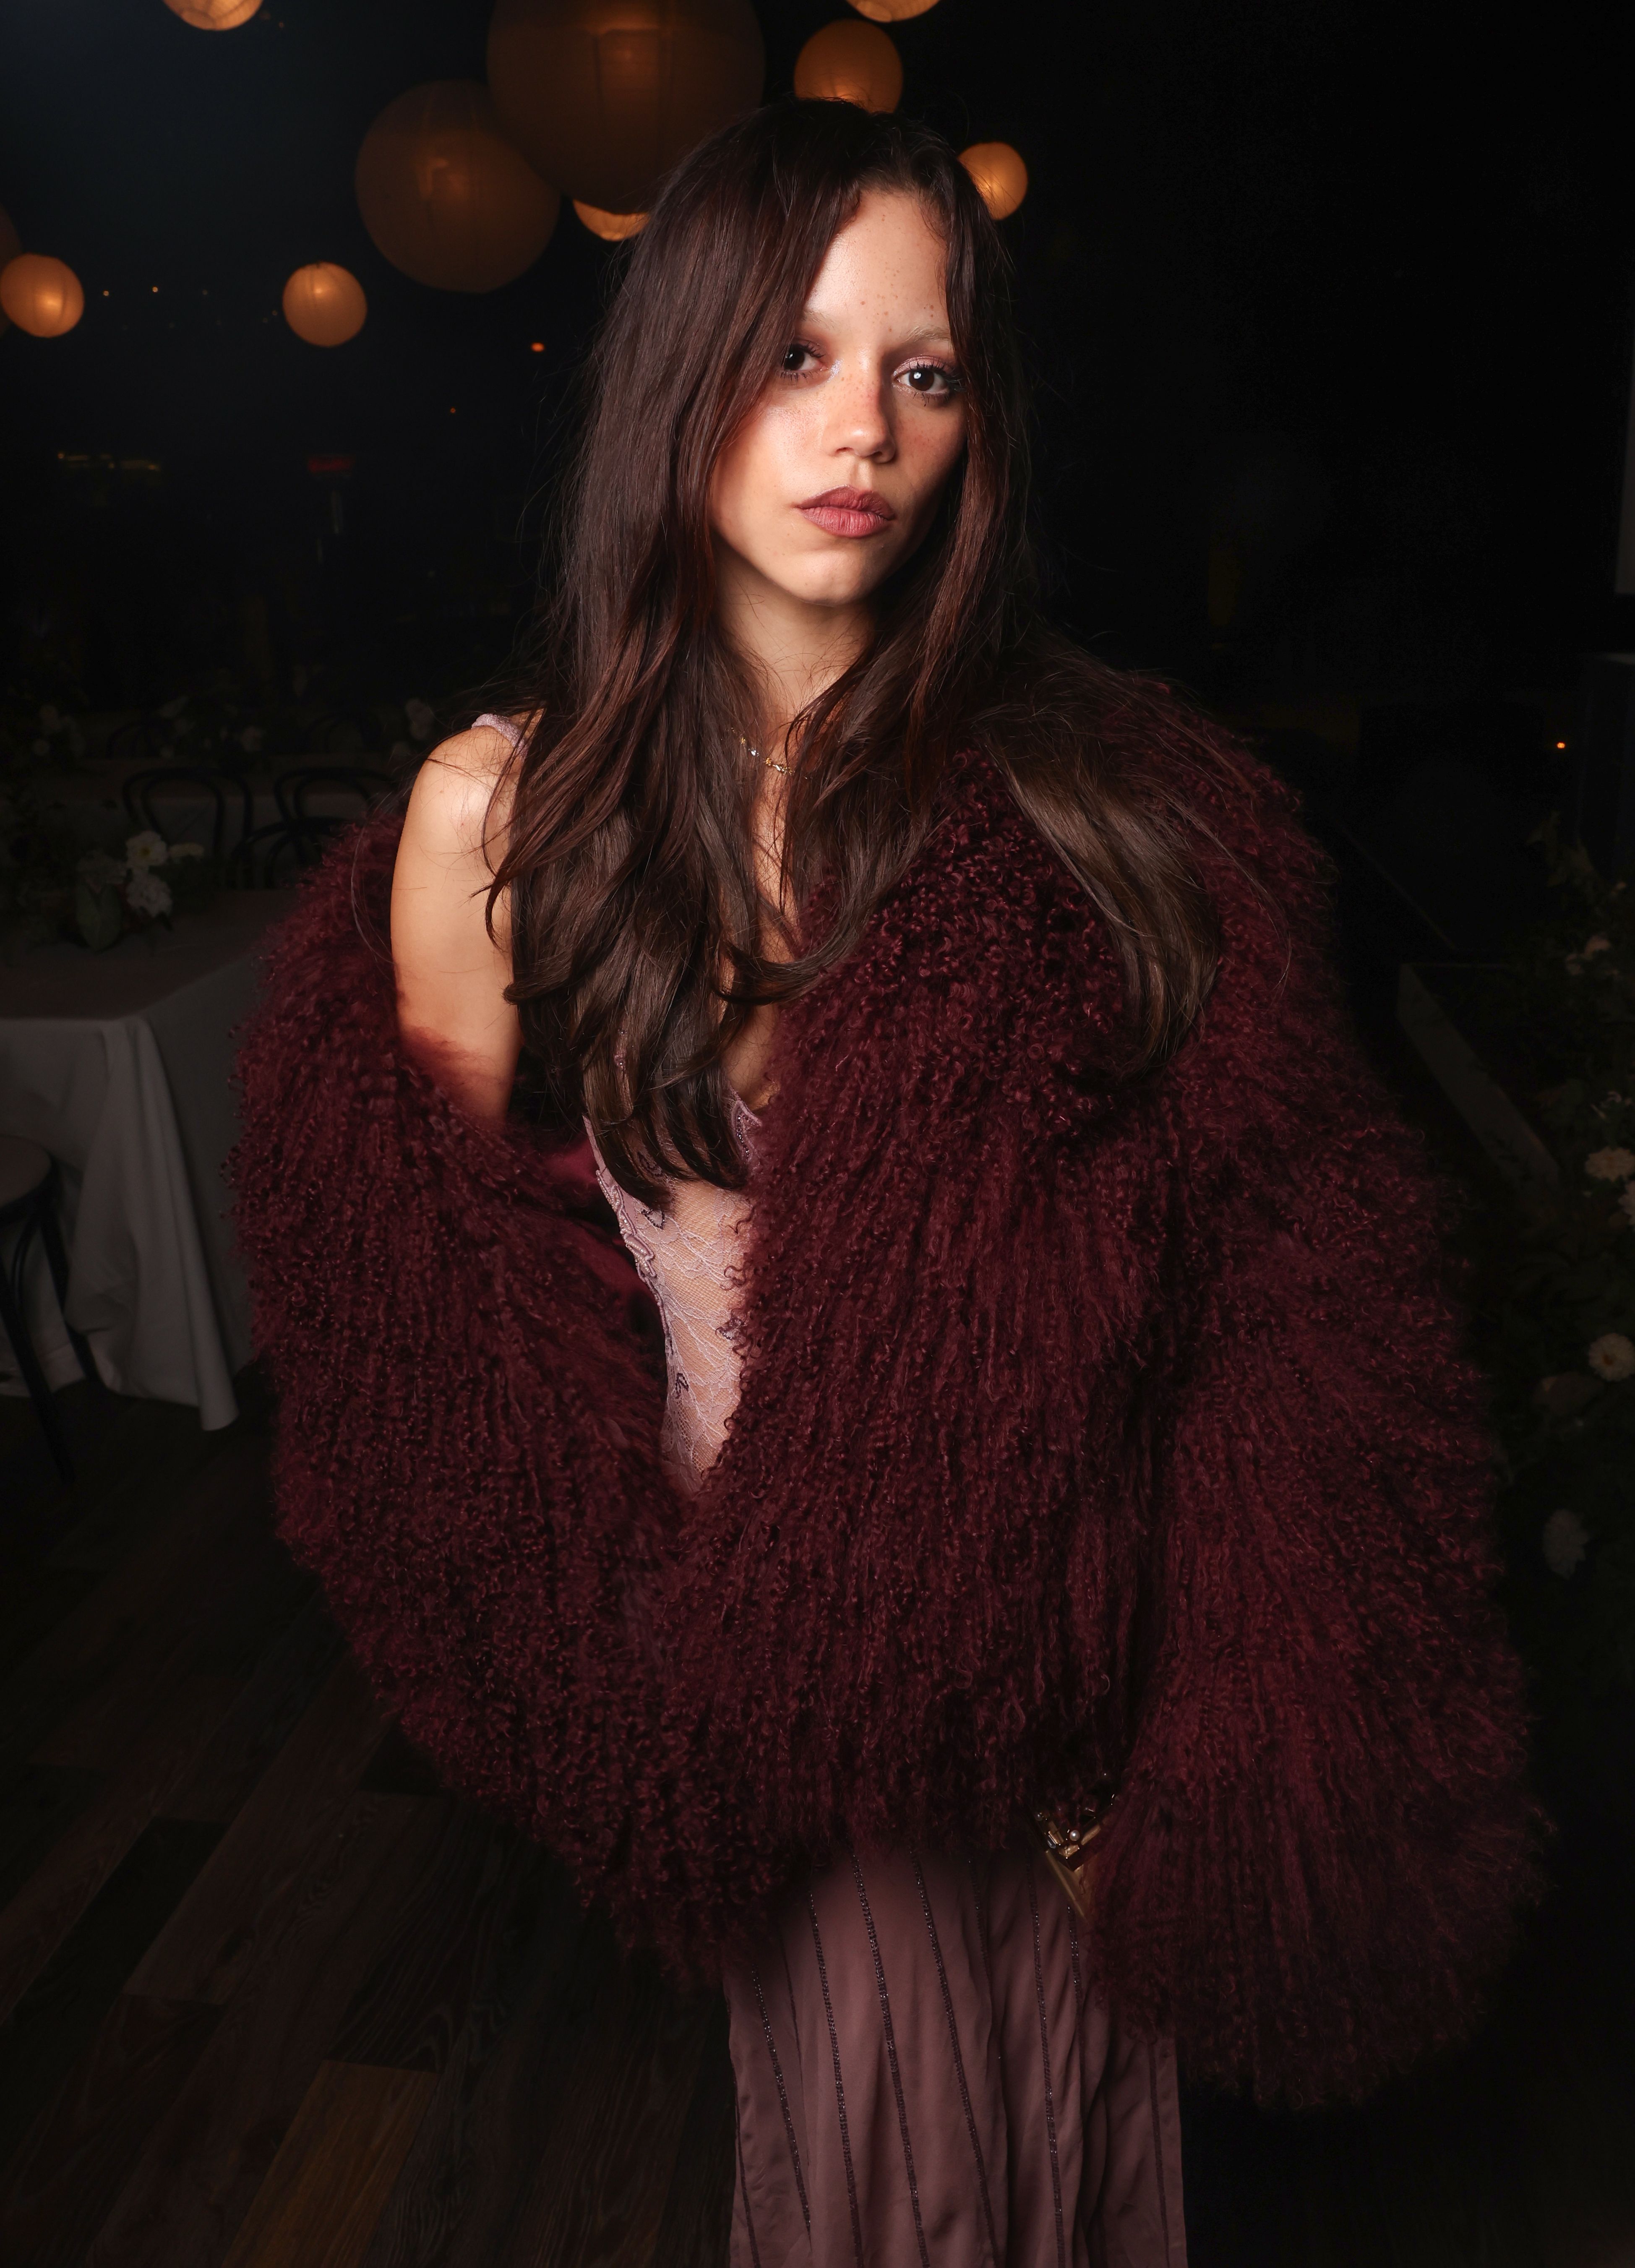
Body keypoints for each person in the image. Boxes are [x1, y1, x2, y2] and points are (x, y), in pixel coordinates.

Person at [233, 100, 1536, 2268]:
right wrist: (629, 1686)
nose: (864, 430)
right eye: (794, 354)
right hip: (779, 1698)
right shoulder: (504, 821)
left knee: (1070, 2171)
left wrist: (1210, 1729)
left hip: (1076, 1707)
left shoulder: (1096, 813)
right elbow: (434, 1320)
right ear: (681, 376)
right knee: (888, 2190)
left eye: (923, 371)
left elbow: (1270, 1296)